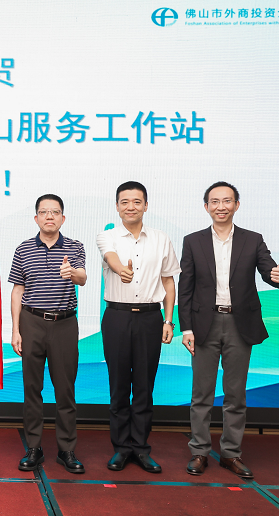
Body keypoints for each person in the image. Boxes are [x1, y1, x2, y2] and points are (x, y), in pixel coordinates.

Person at [179, 182, 279, 479]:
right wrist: (186, 328)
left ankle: (231, 453)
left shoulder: (253, 240)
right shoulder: (193, 241)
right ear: (206, 207)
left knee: (235, 394)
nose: (221, 206)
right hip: (204, 325)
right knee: (201, 394)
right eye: (215, 201)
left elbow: (270, 272)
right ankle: (199, 451)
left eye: (227, 201)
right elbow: (185, 288)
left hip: (240, 324)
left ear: (236, 205)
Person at [96, 182, 180, 473]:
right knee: (119, 386)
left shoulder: (161, 239)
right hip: (117, 318)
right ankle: (121, 448)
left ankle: (141, 448)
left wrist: (168, 320)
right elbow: (111, 258)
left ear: (146, 205)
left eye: (136, 201)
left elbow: (168, 281)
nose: (130, 206)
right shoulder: (107, 236)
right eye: (124, 202)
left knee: (144, 386)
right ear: (117, 206)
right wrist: (122, 270)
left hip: (150, 318)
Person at [9, 194, 87, 474]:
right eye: (44, 212)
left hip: (64, 324)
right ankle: (34, 447)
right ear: (36, 218)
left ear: (63, 218)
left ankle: (67, 449)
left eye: (55, 212)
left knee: (65, 389)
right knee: (32, 388)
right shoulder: (23, 249)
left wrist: (71, 273)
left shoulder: (75, 247)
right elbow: (17, 290)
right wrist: (16, 330)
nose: (49, 216)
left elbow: (83, 278)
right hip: (31, 322)